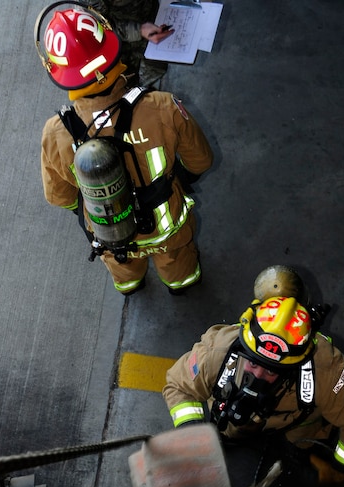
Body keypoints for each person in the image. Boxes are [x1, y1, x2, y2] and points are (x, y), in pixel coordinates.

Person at [36, 3, 213, 296]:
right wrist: (173, 182)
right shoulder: (163, 106)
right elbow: (201, 161)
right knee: (177, 262)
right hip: (166, 227)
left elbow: (59, 197)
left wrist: (99, 204)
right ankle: (182, 284)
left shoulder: (56, 132)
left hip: (110, 237)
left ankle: (131, 286)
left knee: (124, 270)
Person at [162, 265, 344, 487]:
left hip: (296, 432)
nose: (257, 375)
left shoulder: (326, 373)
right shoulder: (217, 351)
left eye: (270, 370)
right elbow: (179, 386)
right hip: (231, 426)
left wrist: (341, 468)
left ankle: (296, 450)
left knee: (300, 446)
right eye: (253, 362)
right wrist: (192, 429)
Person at [85, 0, 174, 87]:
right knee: (127, 83)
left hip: (155, 17)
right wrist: (139, 30)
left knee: (156, 67)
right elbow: (99, 25)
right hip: (124, 45)